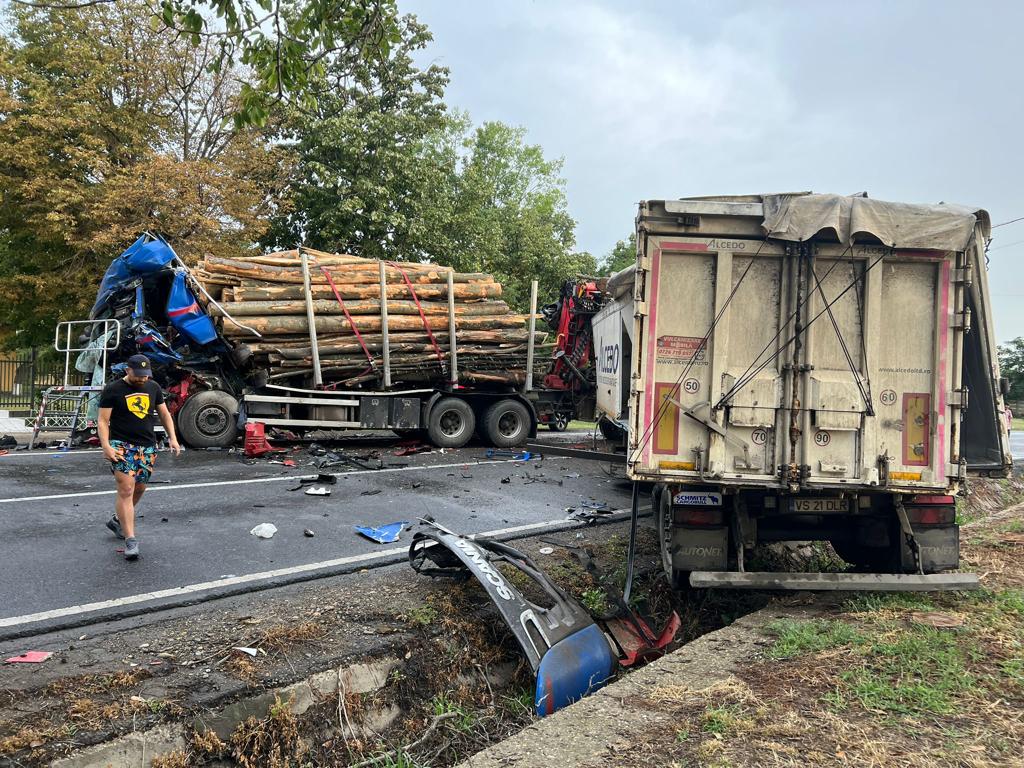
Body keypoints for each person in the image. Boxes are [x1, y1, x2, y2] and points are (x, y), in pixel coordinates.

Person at [98, 354, 181, 560]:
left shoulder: (152, 388)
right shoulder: (113, 390)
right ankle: (131, 540)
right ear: (128, 370)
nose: (143, 379)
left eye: (146, 375)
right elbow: (102, 420)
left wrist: (173, 438)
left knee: (140, 488)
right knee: (126, 489)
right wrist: (106, 446)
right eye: (139, 375)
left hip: (147, 446)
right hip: (121, 445)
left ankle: (117, 520)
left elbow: (164, 414)